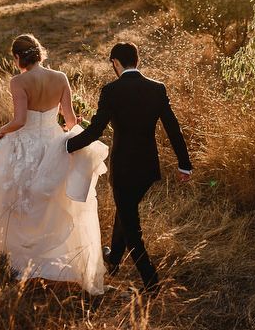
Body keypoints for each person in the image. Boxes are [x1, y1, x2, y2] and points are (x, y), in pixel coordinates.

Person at [0, 34, 108, 294]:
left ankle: (20, 265)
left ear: (18, 57)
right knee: (52, 203)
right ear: (39, 53)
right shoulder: (61, 78)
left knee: (18, 202)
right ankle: (54, 266)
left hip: (25, 146)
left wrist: (1, 130)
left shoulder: (18, 81)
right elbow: (71, 120)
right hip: (54, 146)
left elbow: (19, 120)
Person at [66, 42, 192, 294]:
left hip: (123, 168)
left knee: (132, 228)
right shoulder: (157, 89)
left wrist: (67, 145)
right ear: (137, 60)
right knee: (125, 210)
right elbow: (173, 127)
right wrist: (184, 164)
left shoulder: (111, 91)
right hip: (147, 168)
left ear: (115, 62)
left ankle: (151, 283)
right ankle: (113, 262)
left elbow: (96, 130)